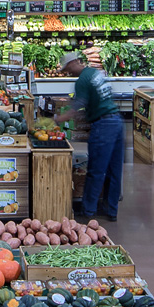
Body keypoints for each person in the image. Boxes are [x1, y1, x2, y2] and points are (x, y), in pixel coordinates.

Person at [62, 51, 122, 220]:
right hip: (116, 121)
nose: (68, 72)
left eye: (68, 68)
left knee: (96, 169)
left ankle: (88, 211)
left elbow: (78, 105)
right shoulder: (94, 72)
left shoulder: (82, 80)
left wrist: (59, 118)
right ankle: (111, 211)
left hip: (103, 125)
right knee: (114, 170)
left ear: (74, 63)